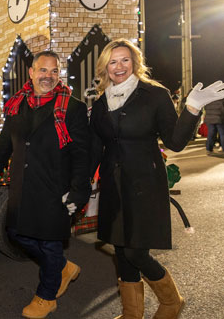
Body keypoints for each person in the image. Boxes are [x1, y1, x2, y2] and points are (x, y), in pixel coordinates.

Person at [89, 38, 224, 319]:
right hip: (114, 187)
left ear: (135, 63)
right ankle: (131, 313)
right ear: (104, 68)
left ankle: (171, 302)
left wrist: (192, 108)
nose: (119, 66)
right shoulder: (101, 103)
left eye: (125, 60)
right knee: (121, 250)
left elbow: (174, 142)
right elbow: (94, 147)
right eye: (112, 62)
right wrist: (79, 182)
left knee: (137, 252)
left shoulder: (154, 95)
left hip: (145, 185)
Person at [0, 50, 91, 319]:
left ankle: (46, 296)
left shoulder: (72, 107)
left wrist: (79, 189)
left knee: (51, 243)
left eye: (54, 71)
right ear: (31, 72)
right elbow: (5, 144)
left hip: (56, 188)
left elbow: (81, 153)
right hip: (23, 185)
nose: (49, 76)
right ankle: (62, 268)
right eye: (43, 70)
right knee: (17, 234)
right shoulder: (17, 105)